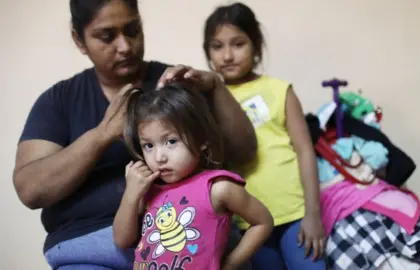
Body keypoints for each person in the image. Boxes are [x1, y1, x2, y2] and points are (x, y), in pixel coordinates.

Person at [13, 0, 257, 269]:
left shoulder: (175, 86)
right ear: (79, 40)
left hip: (192, 237)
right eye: (107, 36)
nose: (125, 47)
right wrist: (101, 135)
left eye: (133, 30)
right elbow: (30, 190)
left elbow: (244, 151)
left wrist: (216, 88)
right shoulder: (59, 100)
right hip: (91, 249)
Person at [203, 3, 326, 270]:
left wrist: (314, 215)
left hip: (295, 214)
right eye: (217, 46)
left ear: (256, 46)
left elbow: (305, 151)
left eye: (238, 44)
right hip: (249, 222)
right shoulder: (211, 101)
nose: (227, 55)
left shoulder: (279, 90)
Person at [113, 83, 273, 270]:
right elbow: (122, 240)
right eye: (148, 145)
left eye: (171, 141)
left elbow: (263, 222)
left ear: (201, 140)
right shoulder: (147, 189)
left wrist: (229, 265)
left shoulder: (217, 187)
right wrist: (130, 195)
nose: (159, 157)